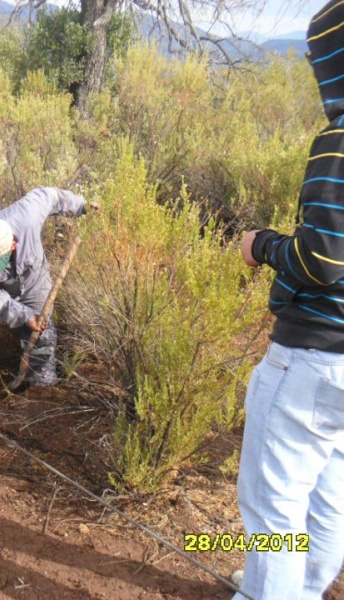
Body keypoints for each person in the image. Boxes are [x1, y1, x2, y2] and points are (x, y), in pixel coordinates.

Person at [235, 2, 344, 597]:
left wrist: (263, 246)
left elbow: (323, 260)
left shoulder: (339, 140)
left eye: (315, 57)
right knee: (330, 494)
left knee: (272, 504)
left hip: (311, 355)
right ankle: (300, 588)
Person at [0, 187, 98, 400]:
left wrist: (82, 206)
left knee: (43, 330)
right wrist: (24, 316)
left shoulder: (28, 214)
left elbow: (53, 196)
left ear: (13, 244)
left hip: (33, 278)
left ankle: (42, 388)